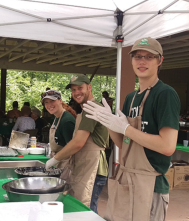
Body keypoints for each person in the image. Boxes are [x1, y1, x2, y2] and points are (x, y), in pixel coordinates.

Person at [83, 37, 180, 221]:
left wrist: (126, 128)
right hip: (126, 182)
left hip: (150, 185)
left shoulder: (165, 94)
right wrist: (109, 123)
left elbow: (167, 146)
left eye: (149, 57)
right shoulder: (131, 98)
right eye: (137, 56)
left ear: (160, 61)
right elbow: (123, 144)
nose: (142, 61)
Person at [45, 74, 109, 213]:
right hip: (85, 166)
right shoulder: (85, 109)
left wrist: (54, 160)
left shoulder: (91, 109)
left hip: (94, 168)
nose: (76, 93)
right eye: (73, 90)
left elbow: (78, 143)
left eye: (80, 88)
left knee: (87, 213)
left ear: (89, 87)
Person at [41, 90, 76, 175]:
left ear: (60, 101)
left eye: (52, 101)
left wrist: (55, 159)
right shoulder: (56, 117)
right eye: (46, 102)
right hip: (58, 165)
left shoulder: (66, 120)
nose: (49, 105)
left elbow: (72, 148)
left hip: (67, 167)